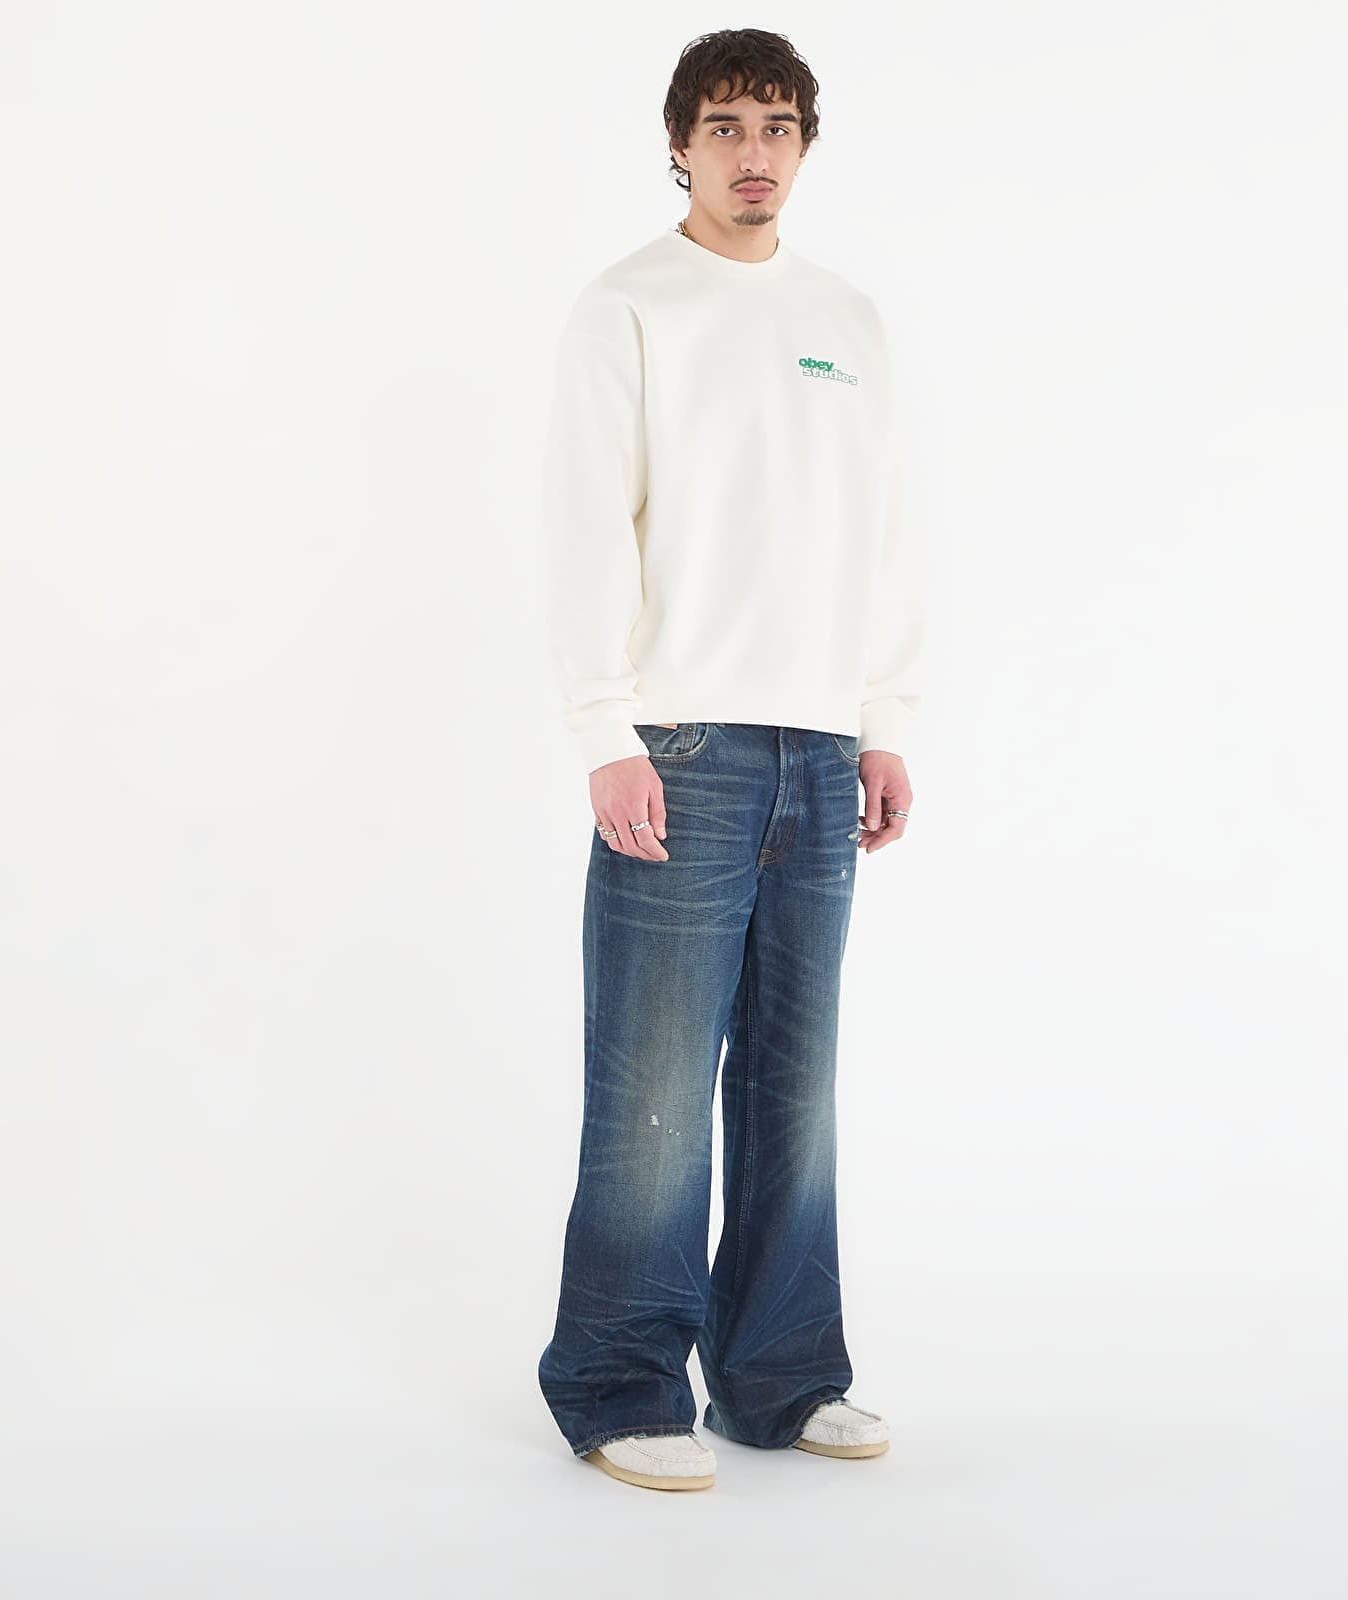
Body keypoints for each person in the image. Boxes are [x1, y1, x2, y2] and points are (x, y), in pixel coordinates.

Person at [535, 28, 923, 1493]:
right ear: (679, 147)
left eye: (777, 126)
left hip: (820, 747)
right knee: (651, 1084)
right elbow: (587, 526)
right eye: (724, 126)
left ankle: (780, 1377)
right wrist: (607, 730)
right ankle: (619, 1382)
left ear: (806, 146)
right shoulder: (630, 307)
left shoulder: (847, 318)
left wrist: (883, 721)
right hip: (682, 742)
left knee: (791, 1083)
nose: (753, 152)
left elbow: (883, 531)